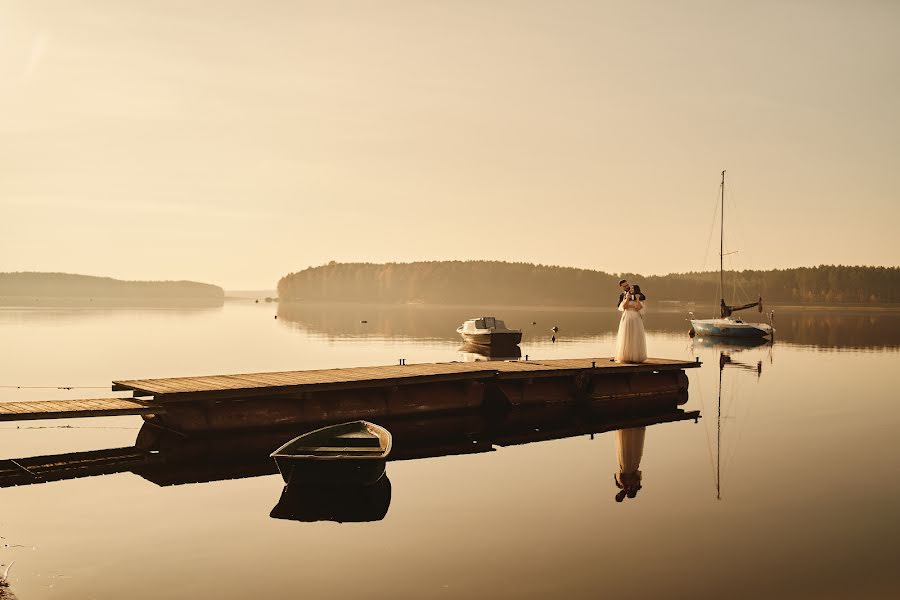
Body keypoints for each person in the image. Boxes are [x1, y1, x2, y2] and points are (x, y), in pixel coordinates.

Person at [615, 284, 647, 363]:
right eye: (631, 289)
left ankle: (636, 356)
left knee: (636, 336)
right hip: (627, 317)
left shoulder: (639, 297)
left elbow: (638, 308)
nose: (631, 290)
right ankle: (626, 356)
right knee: (626, 335)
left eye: (633, 289)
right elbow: (624, 307)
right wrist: (627, 298)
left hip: (636, 318)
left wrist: (637, 299)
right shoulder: (626, 296)